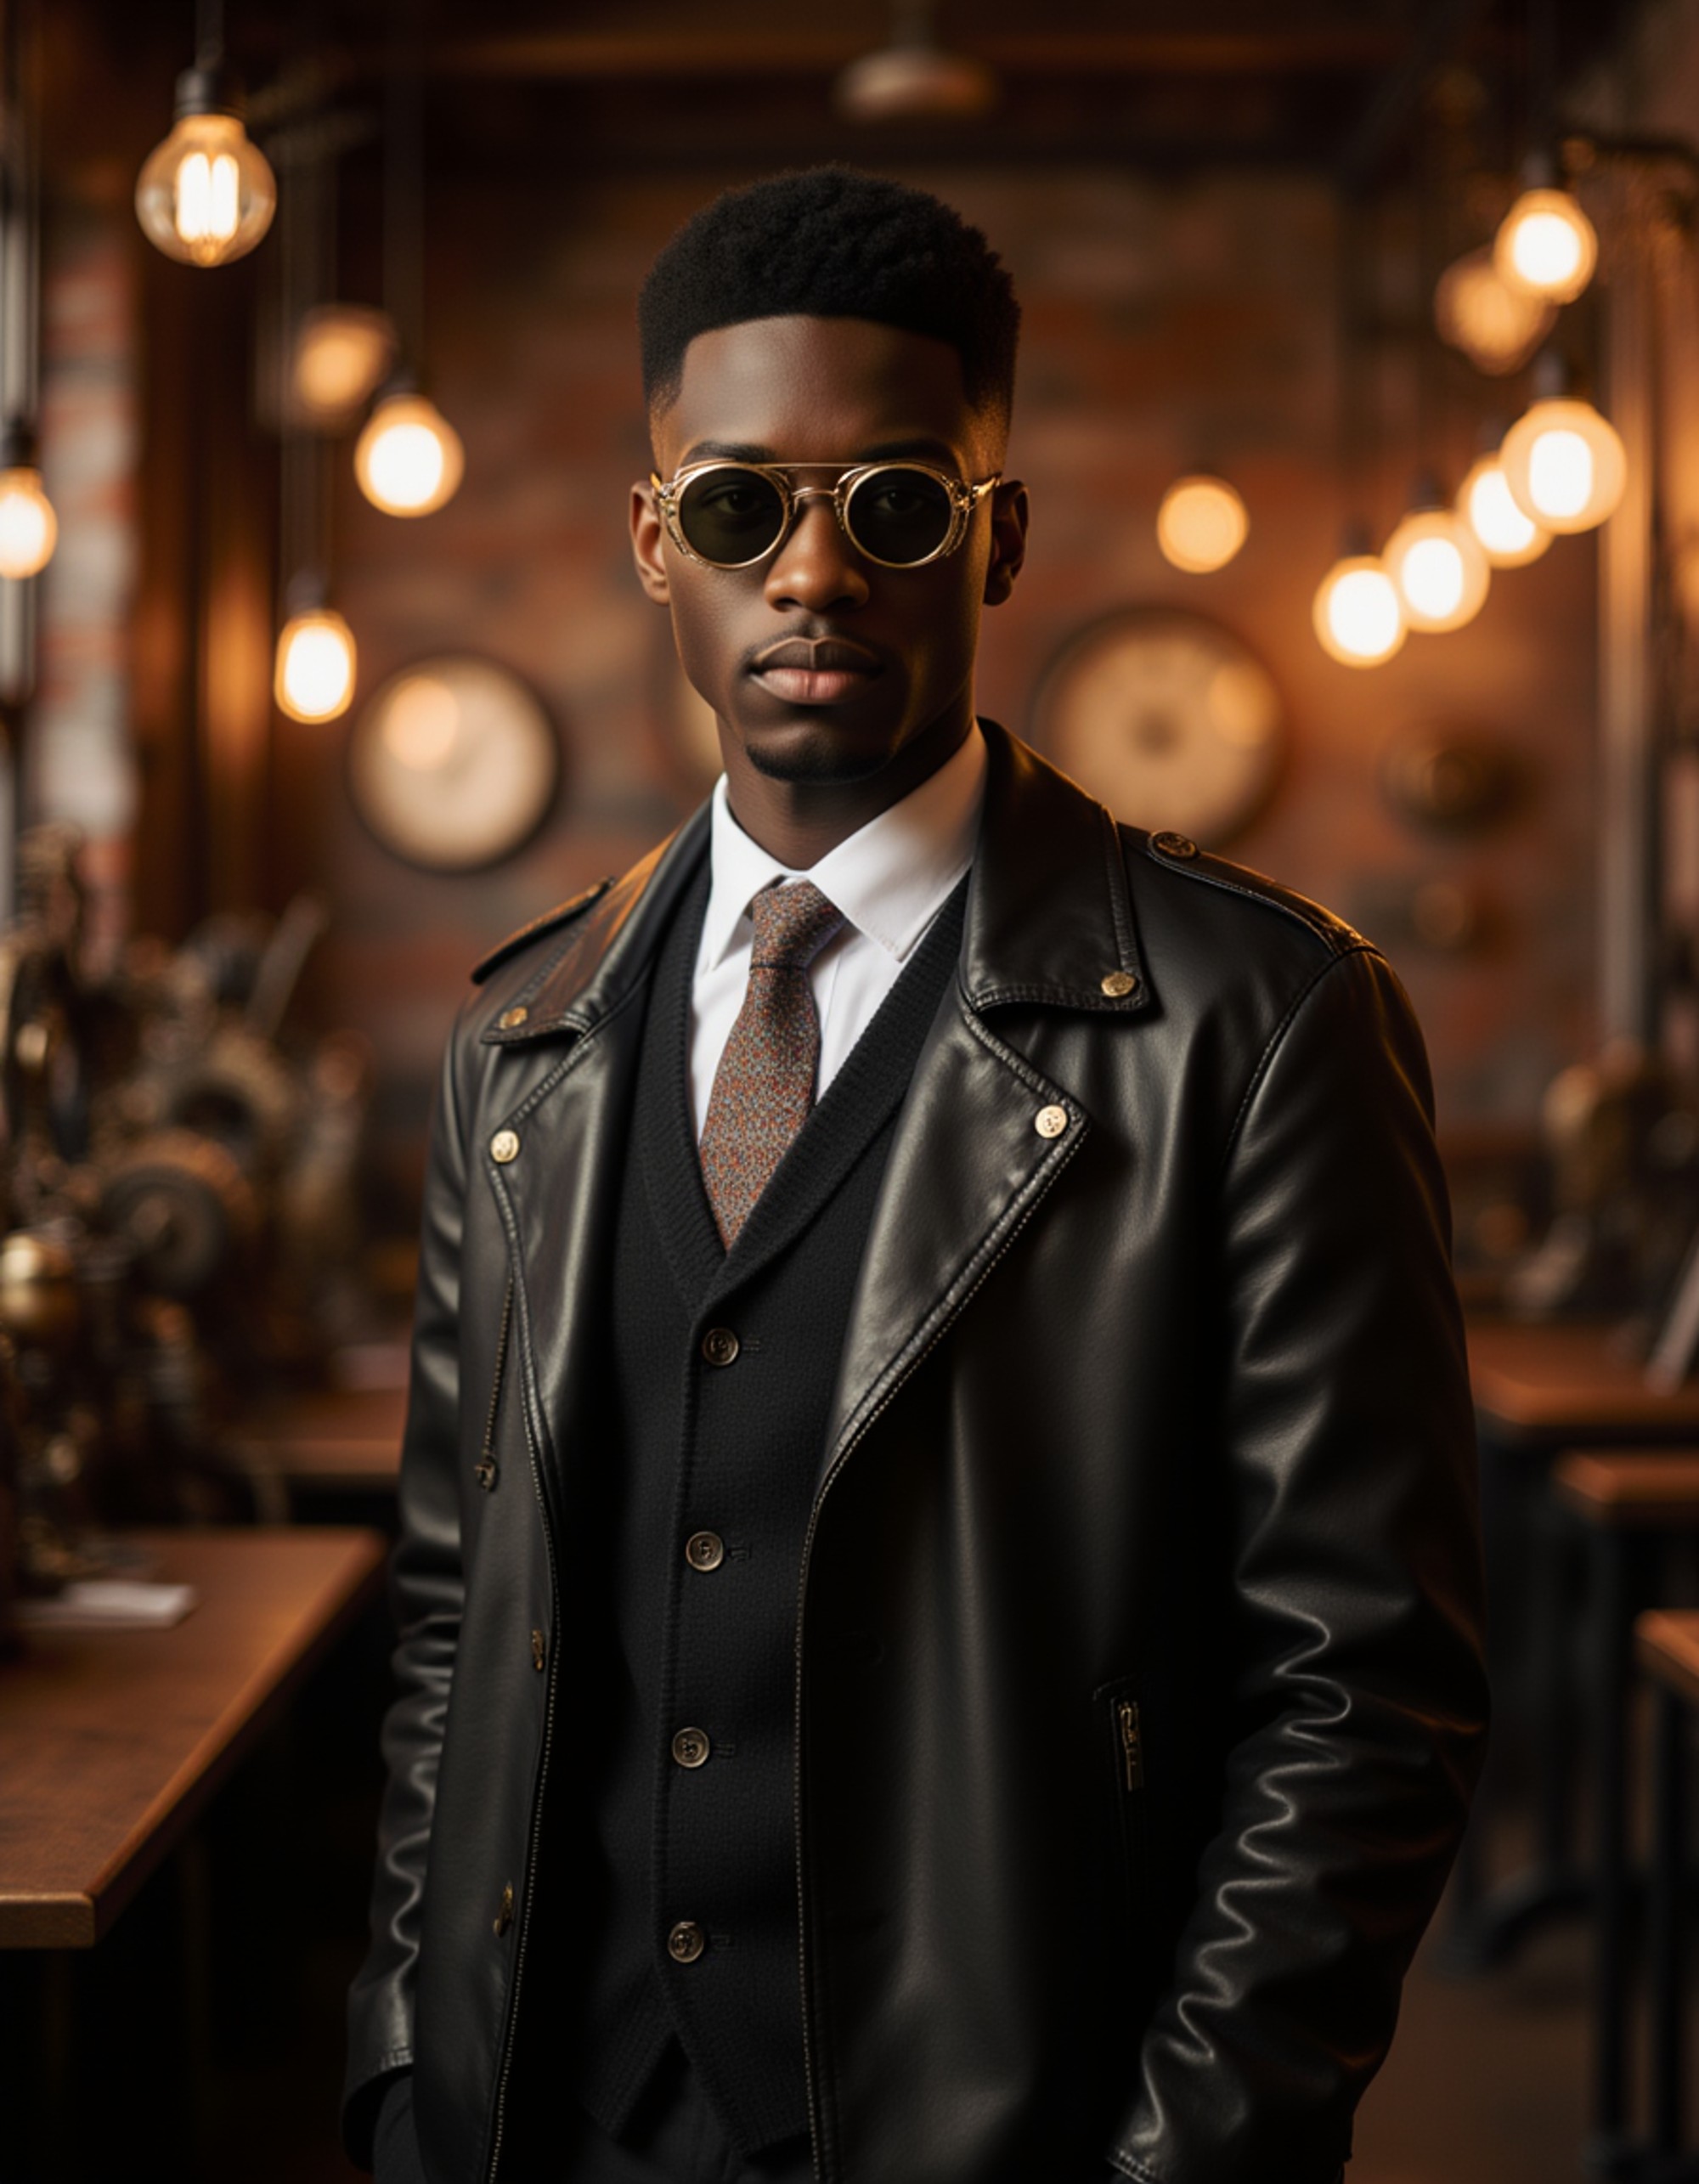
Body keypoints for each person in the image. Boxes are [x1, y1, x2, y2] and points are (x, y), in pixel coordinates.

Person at [344, 166, 1488, 2184]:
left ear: (998, 534)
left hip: (1011, 2126)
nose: (807, 573)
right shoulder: (518, 1045)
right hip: (551, 2115)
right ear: (650, 546)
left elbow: (1361, 1684)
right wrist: (401, 2065)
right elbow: (456, 1614)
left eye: (888, 503)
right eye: (731, 508)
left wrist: (1187, 2153)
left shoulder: (1255, 1019)